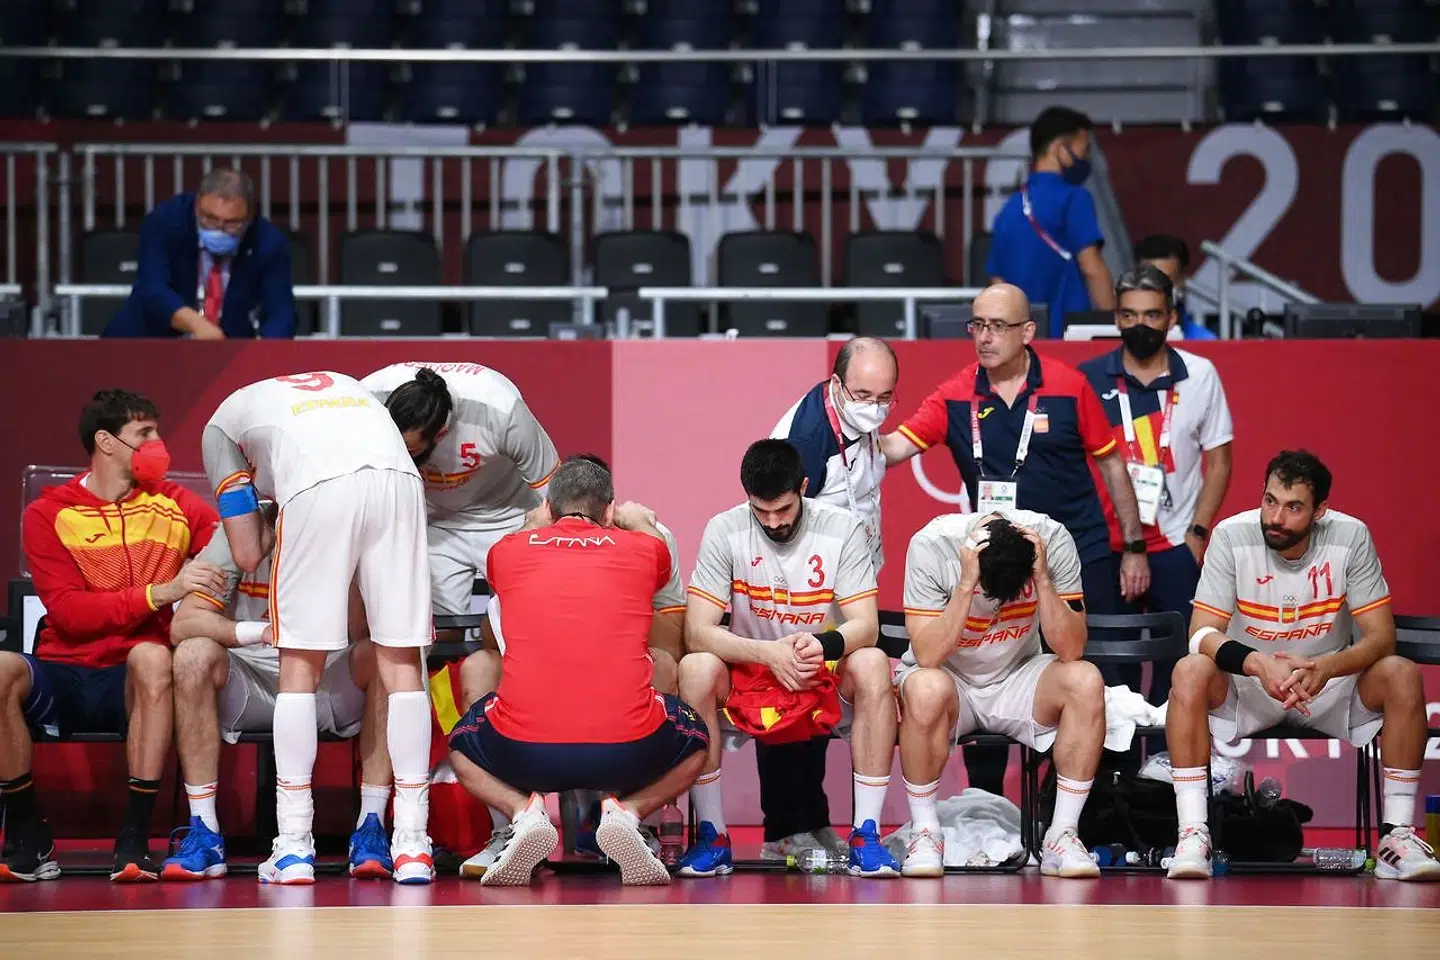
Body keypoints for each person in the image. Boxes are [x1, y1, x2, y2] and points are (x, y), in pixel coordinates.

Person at [881, 283, 1148, 795]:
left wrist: (1132, 546)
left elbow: (1111, 460)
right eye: (977, 325)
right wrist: (853, 425)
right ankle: (987, 803)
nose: (984, 337)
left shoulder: (1070, 386)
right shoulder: (956, 393)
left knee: (1093, 676)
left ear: (1027, 332)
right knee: (990, 670)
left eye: (998, 326)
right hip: (1001, 559)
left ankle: (1087, 808)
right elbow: (896, 447)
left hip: (1076, 551)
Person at [201, 370, 435, 885]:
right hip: (400, 483)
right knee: (401, 664)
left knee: (299, 669)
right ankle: (414, 844)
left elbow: (245, 550)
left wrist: (267, 514)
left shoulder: (219, 428)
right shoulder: (342, 385)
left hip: (317, 486)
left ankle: (293, 845)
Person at [1164, 450, 1440, 881]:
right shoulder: (1231, 536)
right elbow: (1200, 634)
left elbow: (1381, 636)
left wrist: (1326, 668)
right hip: (1250, 685)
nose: (1275, 517)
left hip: (1330, 685)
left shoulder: (1350, 537)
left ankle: (1396, 836)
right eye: (1269, 501)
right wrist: (1256, 663)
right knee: (1188, 670)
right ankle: (1193, 834)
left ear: (1320, 511)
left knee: (1401, 672)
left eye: (1293, 507)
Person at [445, 458, 709, 887]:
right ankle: (629, 813)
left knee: (460, 744)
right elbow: (656, 554)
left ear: (548, 509)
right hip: (626, 752)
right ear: (609, 512)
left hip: (524, 753)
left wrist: (529, 528)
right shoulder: (644, 549)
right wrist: (639, 522)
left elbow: (504, 564)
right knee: (697, 741)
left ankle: (522, 813)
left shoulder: (510, 550)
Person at [0, 389, 221, 882]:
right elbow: (70, 612)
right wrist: (161, 592)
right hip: (65, 672)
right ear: (106, 441)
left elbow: (232, 548)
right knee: (0, 669)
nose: (159, 444)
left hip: (136, 680)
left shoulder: (176, 505)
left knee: (150, 655)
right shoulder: (48, 513)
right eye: (145, 433)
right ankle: (25, 832)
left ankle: (134, 838)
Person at [676, 439, 901, 879]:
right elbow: (697, 631)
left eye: (783, 510)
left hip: (821, 667)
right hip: (753, 669)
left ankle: (866, 836)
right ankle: (712, 836)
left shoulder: (842, 528)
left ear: (803, 487)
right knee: (694, 666)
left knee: (873, 661)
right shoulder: (724, 530)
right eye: (762, 512)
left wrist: (823, 645)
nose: (774, 523)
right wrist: (767, 653)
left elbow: (866, 626)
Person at [161, 520, 396, 882]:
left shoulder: (343, 524)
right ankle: (204, 832)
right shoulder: (238, 529)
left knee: (384, 657)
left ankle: (372, 828)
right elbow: (183, 625)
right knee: (192, 656)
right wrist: (261, 632)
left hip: (325, 677)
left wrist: (346, 568)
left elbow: (365, 634)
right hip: (249, 675)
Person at [895, 510, 1104, 878]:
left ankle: (1062, 835)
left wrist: (1041, 578)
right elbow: (927, 655)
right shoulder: (931, 544)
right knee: (924, 686)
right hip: (951, 678)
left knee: (1085, 679)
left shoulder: (1053, 538)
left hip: (1018, 676)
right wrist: (965, 584)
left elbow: (1071, 649)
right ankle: (926, 833)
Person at [759, 336, 899, 864]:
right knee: (790, 707)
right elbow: (778, 523)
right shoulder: (808, 439)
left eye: (886, 397)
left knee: (820, 711)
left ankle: (813, 820)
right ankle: (783, 830)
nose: (876, 408)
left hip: (848, 583)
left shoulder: (854, 418)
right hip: (802, 593)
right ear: (837, 385)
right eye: (865, 394)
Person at [1079, 264, 1233, 703]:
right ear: (1116, 318)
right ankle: (1115, 769)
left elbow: (1220, 461)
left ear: (1170, 317)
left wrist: (1197, 534)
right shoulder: (1089, 378)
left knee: (1180, 668)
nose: (1139, 325)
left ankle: (1167, 765)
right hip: (1106, 546)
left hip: (1174, 546)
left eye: (1151, 315)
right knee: (1110, 670)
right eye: (1128, 315)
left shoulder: (1200, 375)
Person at [361, 362, 559, 626]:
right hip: (433, 521)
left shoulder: (501, 410)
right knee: (440, 633)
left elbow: (555, 493)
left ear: (440, 435)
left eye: (409, 450)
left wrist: (541, 546)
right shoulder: (370, 398)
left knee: (518, 626)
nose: (398, 453)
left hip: (507, 518)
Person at [103, 168, 296, 339]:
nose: (219, 229)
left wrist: (265, 353)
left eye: (231, 223)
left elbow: (281, 312)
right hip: (148, 342)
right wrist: (197, 325)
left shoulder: (268, 242)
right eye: (210, 219)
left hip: (226, 352)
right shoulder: (166, 221)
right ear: (197, 205)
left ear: (250, 215)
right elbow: (152, 288)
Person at [986, 106, 1114, 336]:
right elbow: (1091, 266)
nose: (1085, 158)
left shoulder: (1008, 209)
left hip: (1022, 342)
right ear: (1060, 148)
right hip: (1066, 337)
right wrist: (1114, 325)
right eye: (1083, 149)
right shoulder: (1075, 198)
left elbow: (997, 282)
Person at [1133, 234, 1215, 341]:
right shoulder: (1115, 336)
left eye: (1166, 280)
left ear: (1182, 281)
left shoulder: (1204, 341)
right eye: (1150, 279)